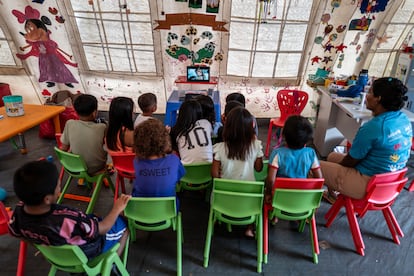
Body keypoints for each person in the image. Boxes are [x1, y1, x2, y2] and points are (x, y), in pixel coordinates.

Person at [8, 160, 131, 259]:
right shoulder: (68, 219)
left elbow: (16, 233)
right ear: (47, 199)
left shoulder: (18, 213)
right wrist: (117, 208)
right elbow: (103, 229)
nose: (59, 189)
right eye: (58, 186)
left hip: (58, 258)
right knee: (124, 224)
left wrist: (46, 247)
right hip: (89, 249)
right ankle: (112, 263)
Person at [320, 77, 412, 202]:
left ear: (378, 98)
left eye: (370, 92)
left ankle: (303, 207)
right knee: (331, 156)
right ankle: (332, 195)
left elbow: (351, 161)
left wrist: (340, 169)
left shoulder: (375, 127)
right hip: (391, 181)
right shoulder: (403, 119)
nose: (366, 95)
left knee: (312, 166)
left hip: (369, 184)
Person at [211, 106, 263, 237]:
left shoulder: (219, 148)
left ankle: (217, 218)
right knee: (255, 194)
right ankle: (249, 228)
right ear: (250, 127)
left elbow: (214, 174)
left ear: (227, 127)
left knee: (215, 190)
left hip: (223, 198)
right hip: (249, 200)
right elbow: (259, 168)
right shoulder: (256, 145)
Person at [265, 115, 322, 205]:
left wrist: (268, 193)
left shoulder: (277, 153)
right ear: (307, 139)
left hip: (279, 198)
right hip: (302, 198)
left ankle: (275, 216)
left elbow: (271, 180)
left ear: (284, 135)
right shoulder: (311, 153)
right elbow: (319, 179)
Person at [132, 119, 185, 207]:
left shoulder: (137, 162)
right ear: (165, 140)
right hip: (168, 211)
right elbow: (179, 178)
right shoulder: (174, 160)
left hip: (139, 212)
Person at [60, 94, 108, 175]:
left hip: (74, 167)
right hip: (96, 168)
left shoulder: (69, 123)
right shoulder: (102, 127)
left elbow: (64, 148)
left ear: (75, 111)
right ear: (94, 113)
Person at [170, 99, 213, 164]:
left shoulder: (176, 130)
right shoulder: (206, 123)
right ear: (199, 113)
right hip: (208, 169)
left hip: (187, 171)